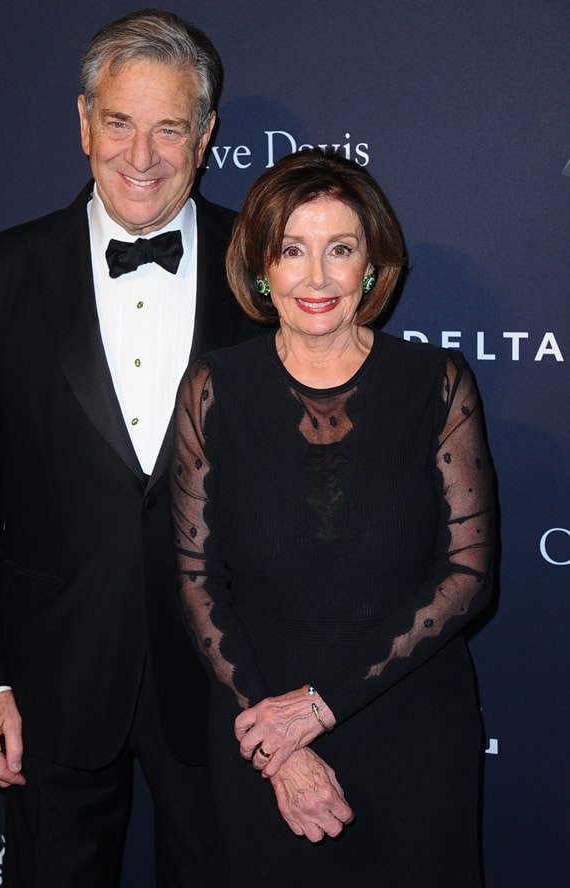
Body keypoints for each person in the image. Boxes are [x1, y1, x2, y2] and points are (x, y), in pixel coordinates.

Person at [0, 9, 254, 887]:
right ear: (82, 122)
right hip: (51, 679)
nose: (141, 155)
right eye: (119, 122)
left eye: (170, 128)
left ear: (207, 134)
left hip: (227, 682)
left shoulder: (265, 268)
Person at [171, 148, 496, 886]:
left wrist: (320, 707)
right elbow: (195, 575)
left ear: (372, 268)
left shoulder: (436, 385)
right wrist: (277, 738)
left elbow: (470, 573)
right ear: (261, 267)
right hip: (259, 726)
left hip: (411, 725)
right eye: (292, 250)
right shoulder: (214, 389)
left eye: (340, 250)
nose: (316, 279)